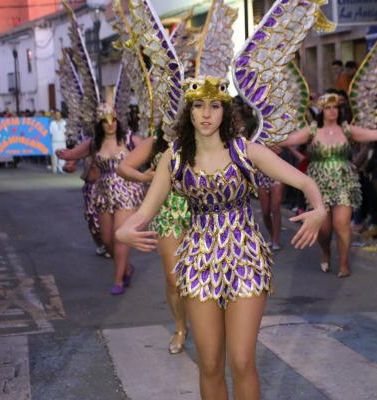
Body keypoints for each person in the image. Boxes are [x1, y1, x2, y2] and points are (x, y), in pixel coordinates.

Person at [116, 76, 326, 399]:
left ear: (225, 112)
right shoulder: (174, 158)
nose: (206, 114)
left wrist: (319, 209)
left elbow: (306, 183)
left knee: (242, 361)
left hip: (245, 257)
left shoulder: (246, 151)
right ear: (188, 112)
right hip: (199, 261)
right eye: (199, 106)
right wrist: (126, 229)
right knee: (211, 363)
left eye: (215, 106)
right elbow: (145, 211)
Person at [279, 93, 377, 277]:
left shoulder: (346, 129)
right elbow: (289, 139)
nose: (333, 111)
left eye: (335, 107)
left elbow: (369, 134)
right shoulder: (312, 130)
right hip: (318, 184)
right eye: (328, 108)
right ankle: (326, 252)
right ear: (322, 111)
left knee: (341, 224)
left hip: (345, 182)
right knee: (324, 229)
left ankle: (344, 263)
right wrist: (263, 140)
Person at [57, 103, 146, 295]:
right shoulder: (93, 143)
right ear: (100, 124)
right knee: (106, 240)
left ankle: (118, 281)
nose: (110, 124)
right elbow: (72, 154)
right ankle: (127, 268)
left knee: (120, 235)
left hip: (127, 190)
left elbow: (150, 150)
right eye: (106, 121)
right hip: (104, 193)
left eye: (113, 119)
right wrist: (64, 155)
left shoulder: (130, 139)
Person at [117, 129, 190, 353]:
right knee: (173, 277)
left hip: (205, 214)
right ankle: (180, 328)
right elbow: (124, 167)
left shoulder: (209, 135)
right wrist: (145, 177)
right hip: (169, 214)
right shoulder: (158, 141)